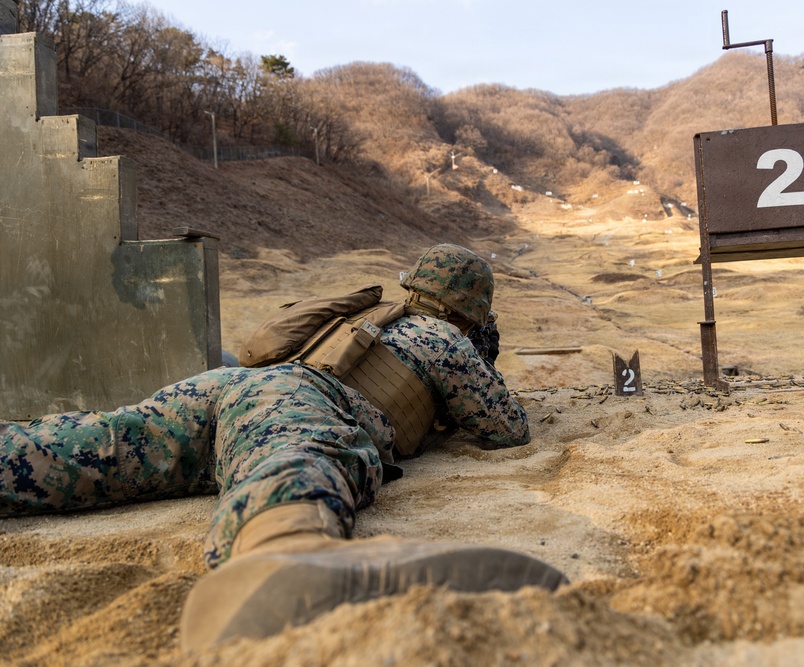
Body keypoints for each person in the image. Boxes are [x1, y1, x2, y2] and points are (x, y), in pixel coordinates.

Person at [0, 243, 567, 650]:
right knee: (298, 454)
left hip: (223, 388)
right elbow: (505, 429)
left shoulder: (367, 312)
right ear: (471, 310)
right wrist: (480, 358)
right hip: (295, 400)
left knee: (99, 446)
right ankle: (289, 548)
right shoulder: (446, 339)